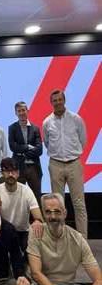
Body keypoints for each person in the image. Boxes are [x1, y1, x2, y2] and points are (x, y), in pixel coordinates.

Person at [43, 89, 88, 238]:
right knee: (57, 206)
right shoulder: (47, 122)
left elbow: (83, 140)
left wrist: (72, 154)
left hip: (74, 164)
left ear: (64, 100)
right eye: (54, 101)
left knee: (79, 204)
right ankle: (59, 239)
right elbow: (47, 143)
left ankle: (82, 240)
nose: (57, 103)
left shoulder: (76, 119)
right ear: (51, 103)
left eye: (60, 100)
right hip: (55, 165)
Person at [0, 158, 43, 252]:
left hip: (23, 232)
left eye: (14, 171)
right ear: (2, 173)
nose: (10, 174)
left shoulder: (26, 190)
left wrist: (37, 221)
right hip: (2, 231)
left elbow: (38, 217)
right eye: (7, 171)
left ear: (18, 173)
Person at [8, 101, 43, 203]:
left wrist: (23, 153)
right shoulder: (12, 128)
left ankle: (37, 214)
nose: (21, 113)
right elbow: (13, 147)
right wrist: (28, 147)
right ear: (16, 113)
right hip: (18, 168)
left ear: (27, 111)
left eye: (23, 110)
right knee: (18, 198)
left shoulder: (35, 128)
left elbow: (39, 150)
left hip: (34, 167)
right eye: (19, 111)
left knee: (36, 197)